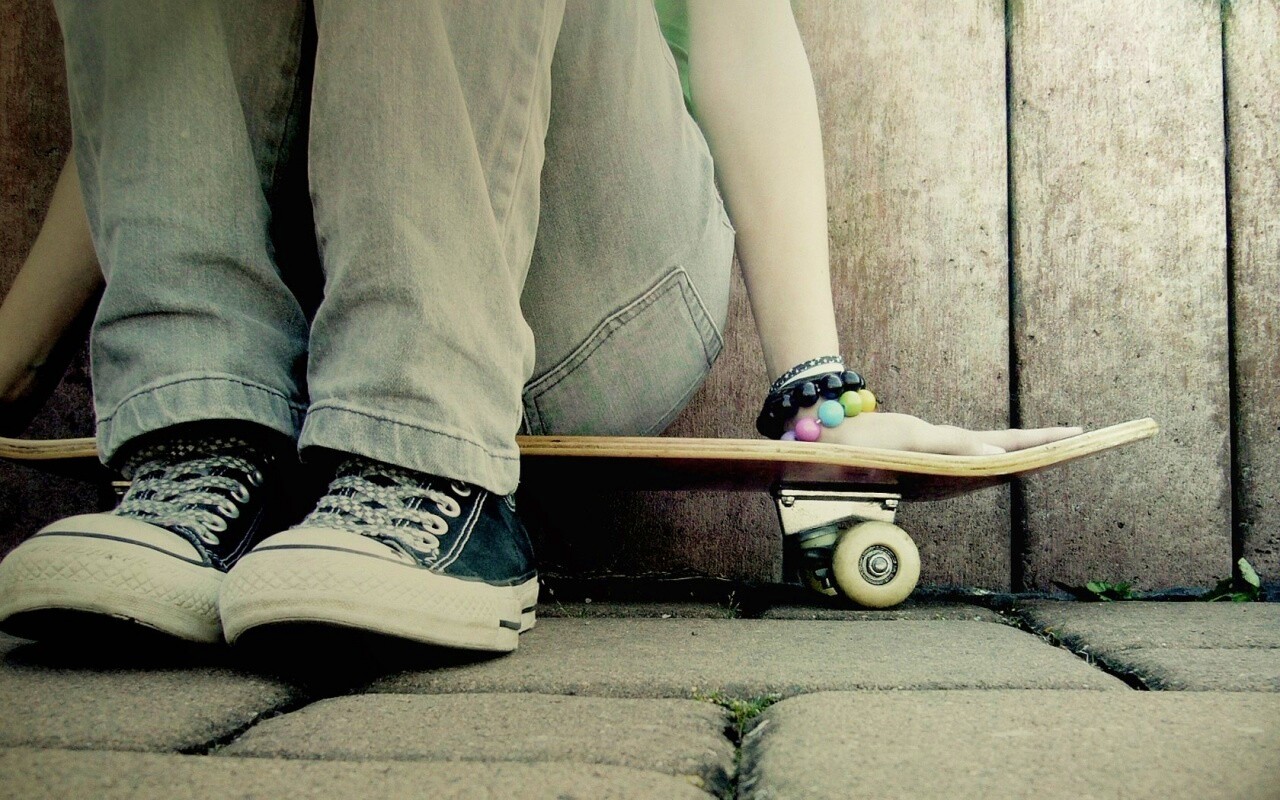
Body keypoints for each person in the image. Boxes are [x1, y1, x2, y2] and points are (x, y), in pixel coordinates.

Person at [0, 0, 1079, 653]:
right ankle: (203, 457)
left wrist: (817, 395)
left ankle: (419, 446)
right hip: (306, 328)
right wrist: (65, 367)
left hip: (584, 289)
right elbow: (161, 104)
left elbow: (743, 36)